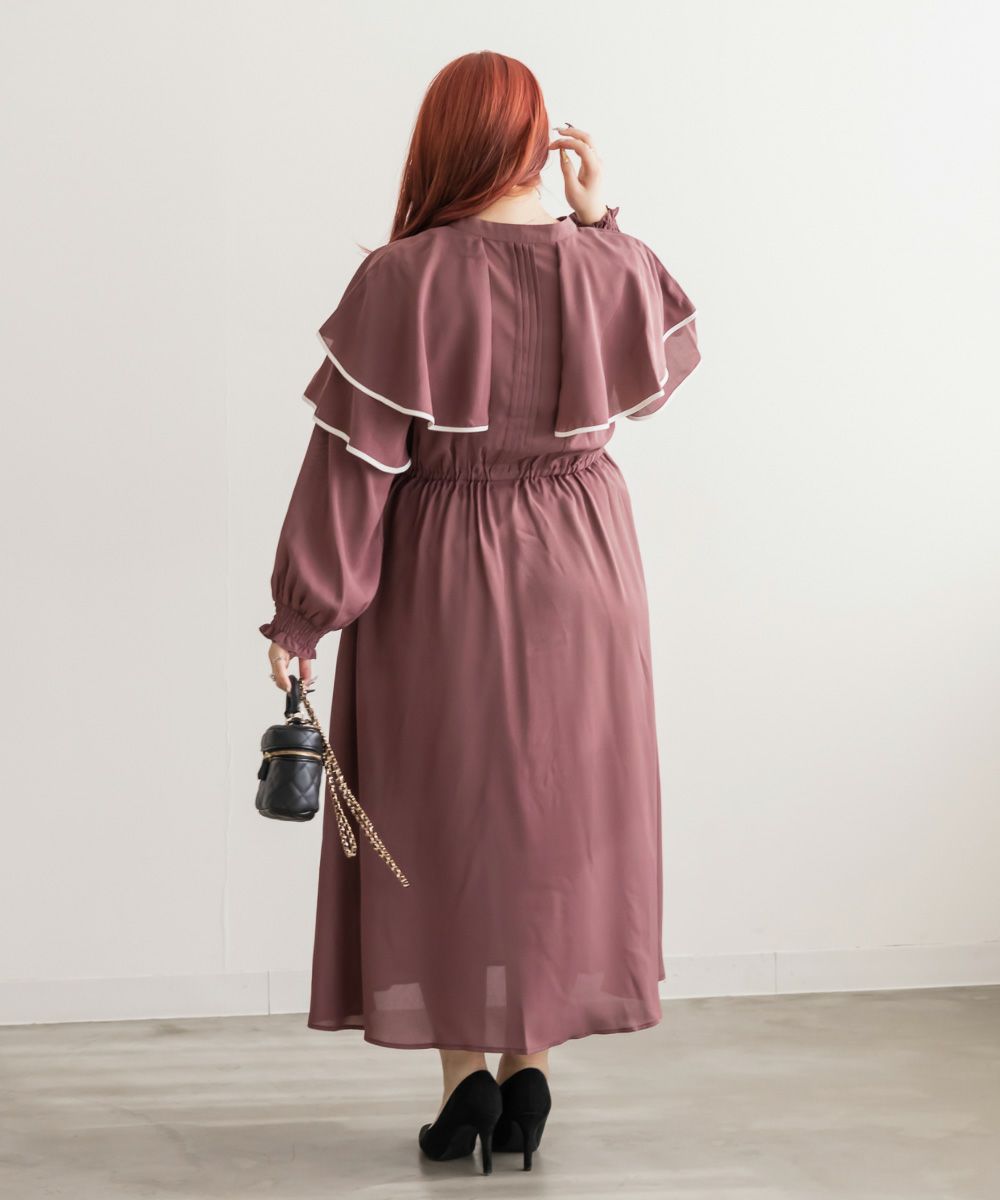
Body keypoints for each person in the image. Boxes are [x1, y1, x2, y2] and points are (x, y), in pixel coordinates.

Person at [259, 51, 701, 1175]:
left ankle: (464, 1084)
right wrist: (599, 219)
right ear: (538, 143)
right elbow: (666, 357)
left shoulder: (401, 280)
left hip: (442, 570)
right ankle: (528, 1070)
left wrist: (304, 616)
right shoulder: (603, 265)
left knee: (442, 816)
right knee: (557, 818)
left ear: (443, 139)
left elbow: (352, 467)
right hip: (586, 567)